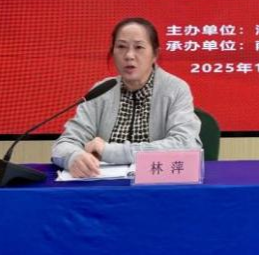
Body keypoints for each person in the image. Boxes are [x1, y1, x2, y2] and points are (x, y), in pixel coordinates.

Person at [52, 17, 201, 177]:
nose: (129, 55)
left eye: (139, 47)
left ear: (155, 54)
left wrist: (109, 151)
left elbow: (185, 145)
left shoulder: (175, 89)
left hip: (157, 183)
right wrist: (73, 157)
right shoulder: (101, 91)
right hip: (105, 185)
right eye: (121, 47)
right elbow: (63, 145)